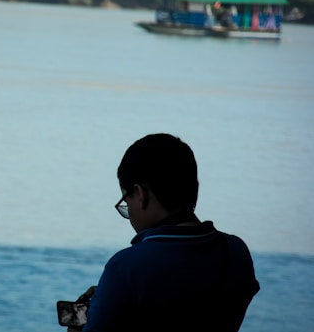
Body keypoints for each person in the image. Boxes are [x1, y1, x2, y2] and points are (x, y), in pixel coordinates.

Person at [67, 133, 259, 332]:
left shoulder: (126, 268)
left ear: (140, 194)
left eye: (126, 202)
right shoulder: (235, 252)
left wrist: (78, 325)